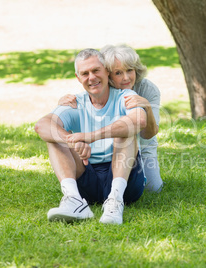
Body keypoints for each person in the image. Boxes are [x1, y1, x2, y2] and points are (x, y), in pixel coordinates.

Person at [34, 48, 147, 225]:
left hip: (125, 181)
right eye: (85, 73)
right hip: (87, 178)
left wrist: (90, 137)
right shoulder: (74, 103)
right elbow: (42, 125)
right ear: (78, 78)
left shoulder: (125, 96)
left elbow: (139, 121)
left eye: (96, 71)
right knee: (55, 138)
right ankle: (74, 200)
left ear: (106, 71)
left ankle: (115, 202)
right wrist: (72, 141)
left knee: (126, 130)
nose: (91, 78)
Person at [59, 44, 163, 192]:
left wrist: (146, 107)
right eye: (118, 73)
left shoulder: (148, 89)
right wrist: (64, 104)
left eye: (129, 70)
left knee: (154, 188)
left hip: (144, 144)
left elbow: (149, 134)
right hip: (109, 147)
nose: (126, 78)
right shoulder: (104, 89)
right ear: (108, 74)